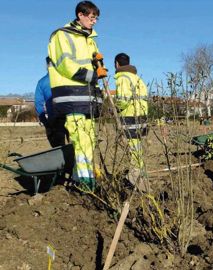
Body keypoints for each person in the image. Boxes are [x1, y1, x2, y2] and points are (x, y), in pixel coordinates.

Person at [47, 1, 106, 190]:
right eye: (92, 17)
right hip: (72, 96)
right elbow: (66, 65)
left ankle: (83, 177)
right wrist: (93, 75)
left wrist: (98, 63)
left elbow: (91, 65)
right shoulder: (62, 35)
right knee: (80, 140)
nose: (94, 21)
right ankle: (83, 182)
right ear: (80, 15)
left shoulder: (89, 39)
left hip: (87, 97)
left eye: (96, 18)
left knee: (88, 140)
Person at [114, 53, 149, 188]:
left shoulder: (123, 78)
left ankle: (135, 179)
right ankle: (139, 176)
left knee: (133, 150)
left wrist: (115, 108)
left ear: (117, 64)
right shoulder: (138, 79)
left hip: (130, 119)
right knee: (138, 149)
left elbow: (123, 100)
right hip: (142, 118)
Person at [34, 58, 68, 147]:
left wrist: (45, 122)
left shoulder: (42, 82)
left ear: (46, 65)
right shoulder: (65, 78)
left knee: (58, 150)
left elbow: (38, 103)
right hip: (70, 116)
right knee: (76, 148)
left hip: (53, 119)